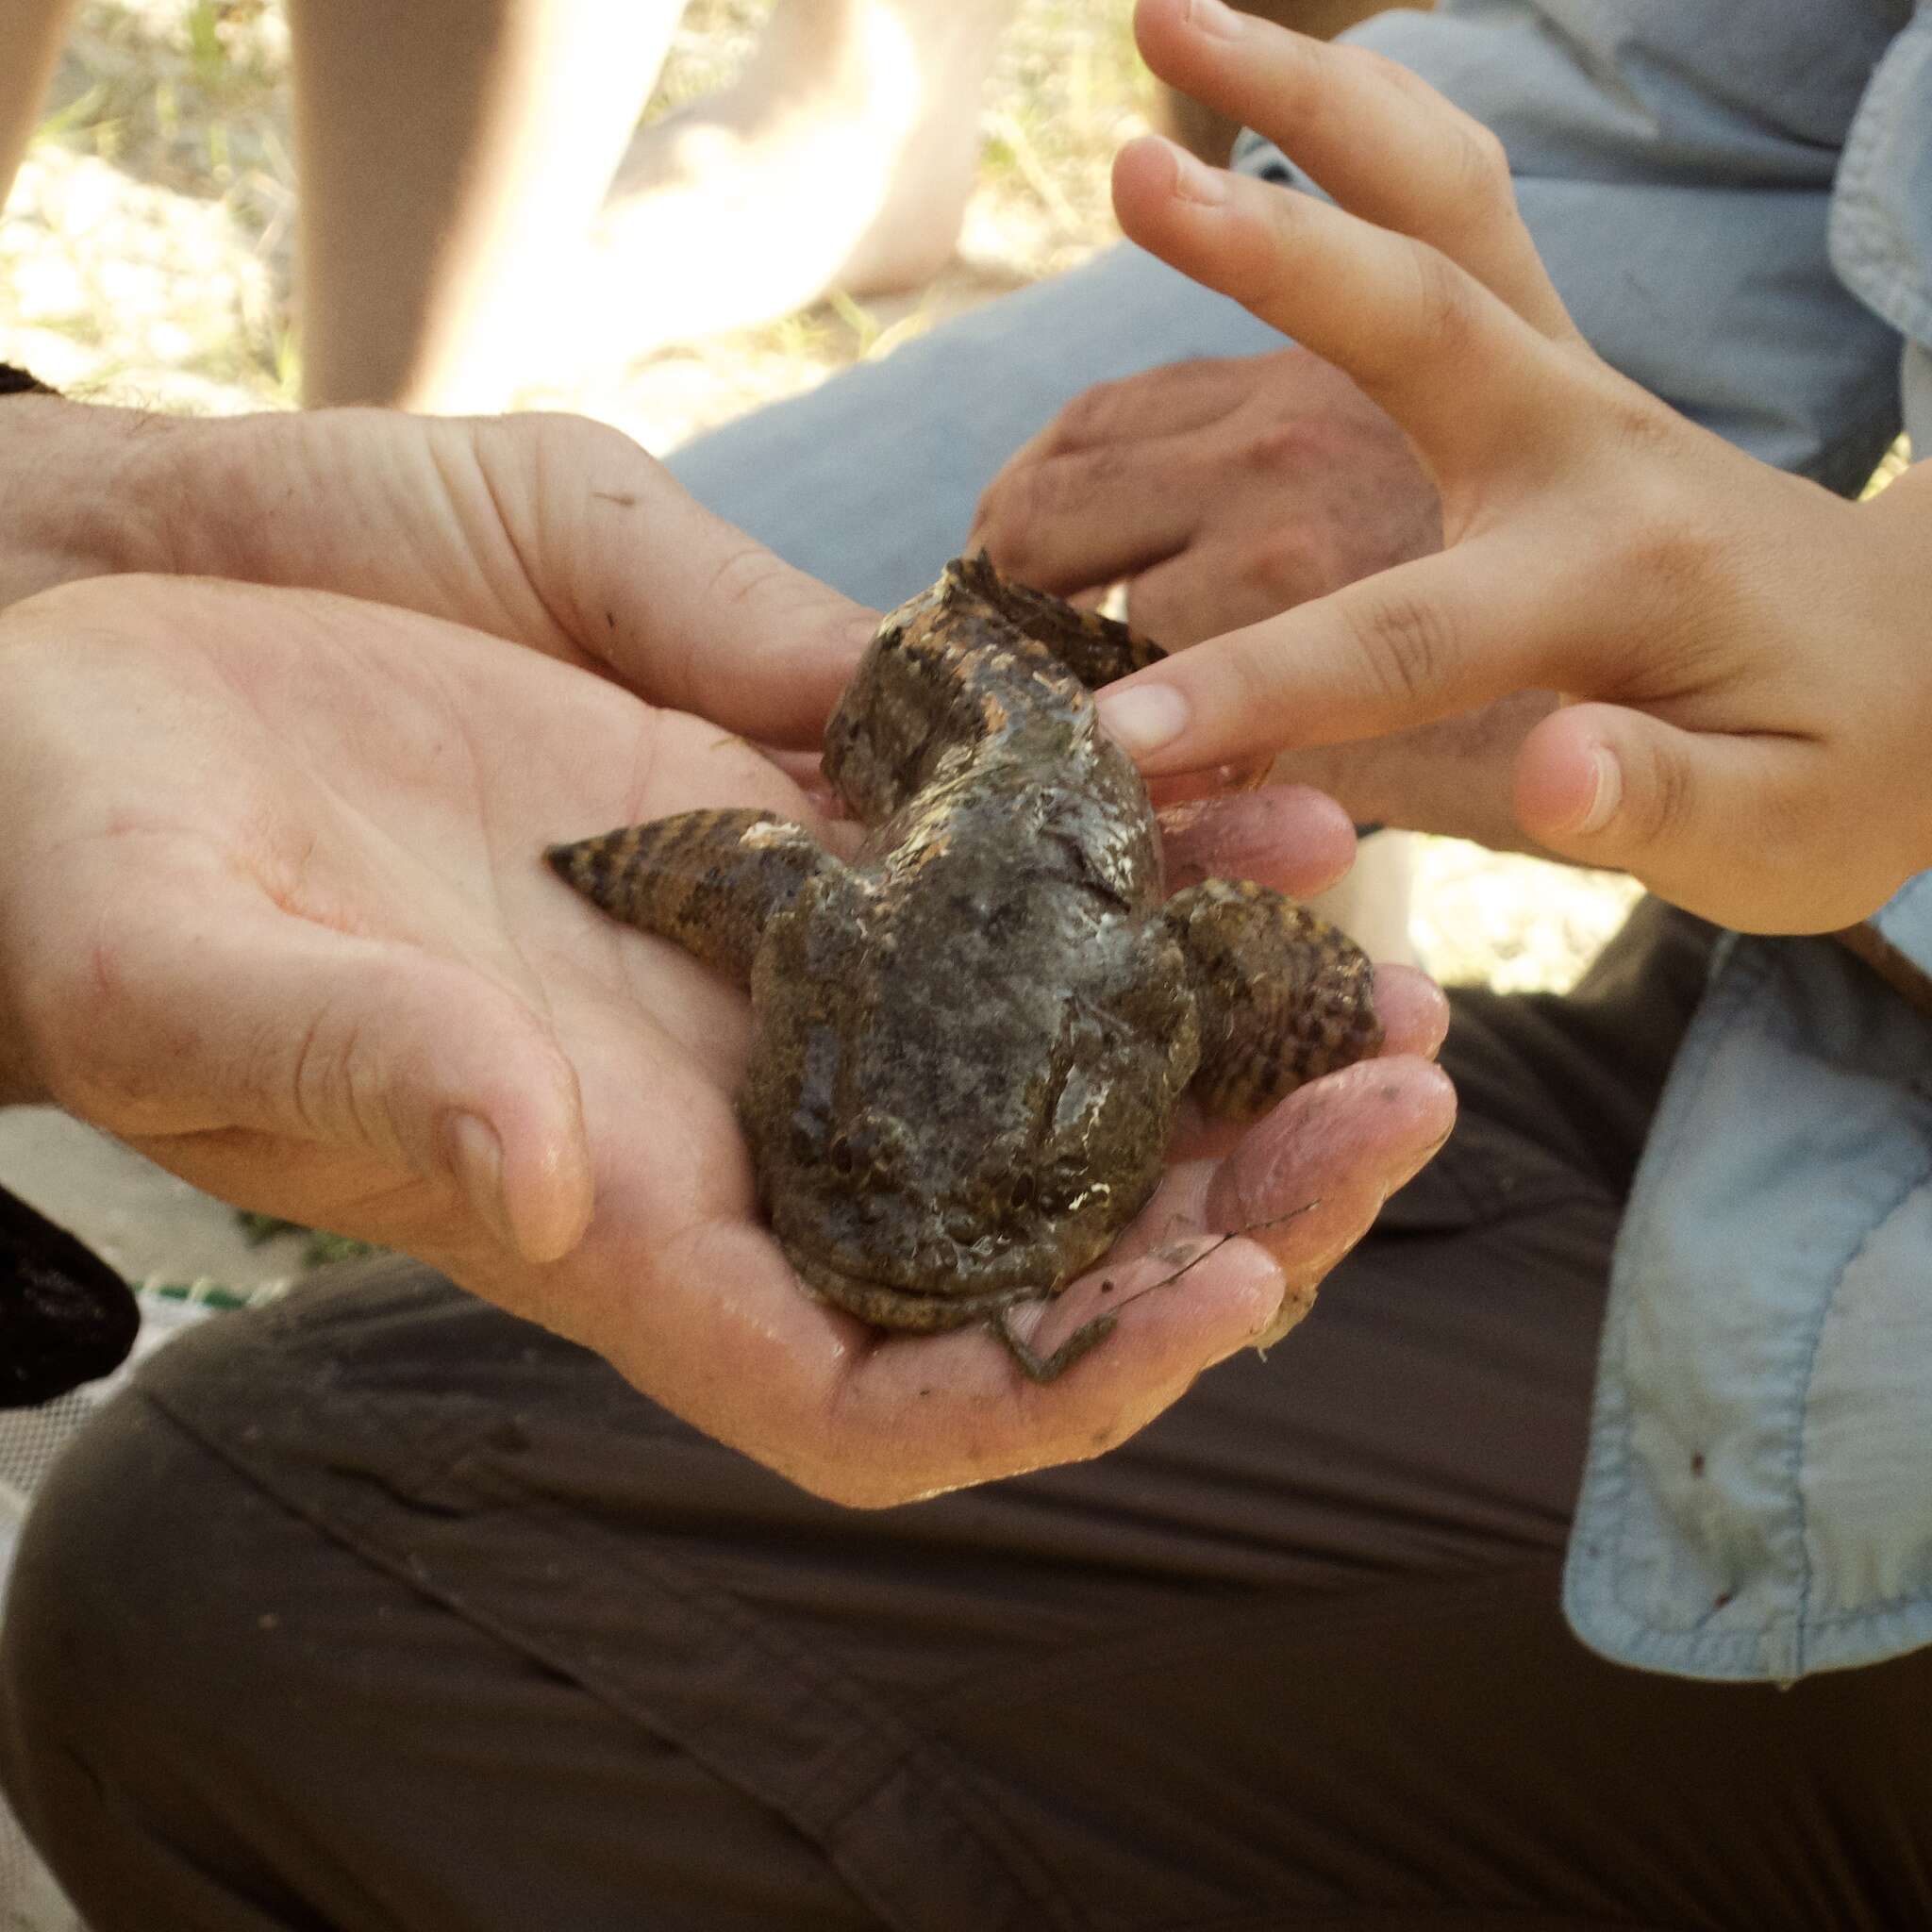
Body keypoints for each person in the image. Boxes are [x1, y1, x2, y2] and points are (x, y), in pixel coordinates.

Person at [1, 4, 1929, 1930]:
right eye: (837, 1157)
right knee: (237, 1560)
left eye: (1002, 1183)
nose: (905, 1235)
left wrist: (1865, 743)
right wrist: (147, 582)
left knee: (269, 1556)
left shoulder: (1125, 947)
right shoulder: (837, 891)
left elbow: (759, 854)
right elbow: (1684, 111)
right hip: (1760, 1079)